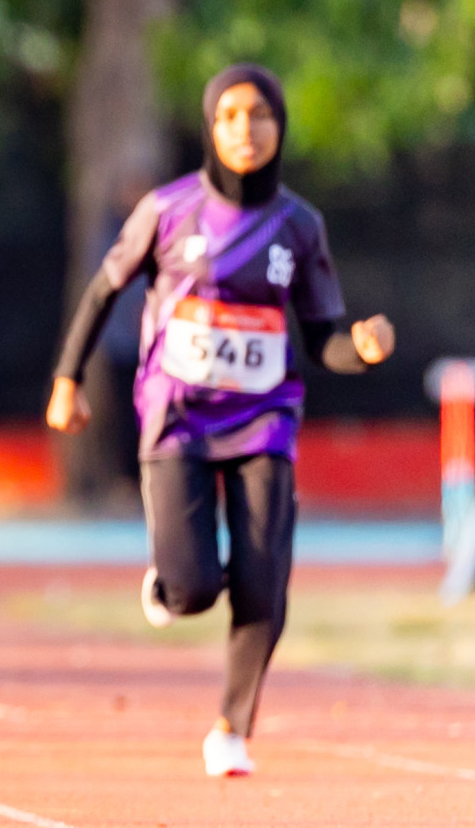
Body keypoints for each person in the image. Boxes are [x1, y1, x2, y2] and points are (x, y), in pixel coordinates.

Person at [46, 64, 394, 777]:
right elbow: (103, 290)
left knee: (264, 578)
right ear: (210, 126)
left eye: (260, 114)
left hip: (265, 417)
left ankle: (232, 727)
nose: (246, 128)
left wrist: (358, 348)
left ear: (280, 126)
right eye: (230, 115)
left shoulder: (300, 226)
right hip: (178, 417)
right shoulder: (167, 209)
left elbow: (322, 337)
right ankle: (170, 585)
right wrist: (67, 379)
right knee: (196, 588)